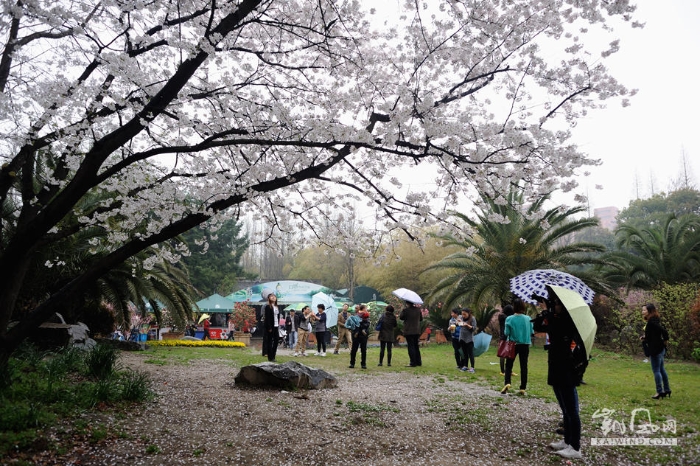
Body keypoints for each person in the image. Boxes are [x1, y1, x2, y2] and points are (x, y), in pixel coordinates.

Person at [533, 292, 583, 460]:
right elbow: (540, 327)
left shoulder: (569, 321)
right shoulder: (555, 317)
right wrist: (543, 312)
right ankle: (567, 441)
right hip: (556, 366)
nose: (555, 306)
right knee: (564, 408)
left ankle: (575, 447)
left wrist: (547, 311)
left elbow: (556, 328)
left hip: (566, 368)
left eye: (557, 304)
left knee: (571, 409)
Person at [501, 299, 533, 395]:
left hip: (513, 345)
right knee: (524, 366)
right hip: (525, 344)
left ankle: (507, 383)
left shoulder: (509, 319)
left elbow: (507, 333)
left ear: (514, 307)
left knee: (509, 365)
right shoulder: (528, 318)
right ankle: (522, 388)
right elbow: (532, 331)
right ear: (523, 307)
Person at [641, 303, 671, 399]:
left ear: (649, 311)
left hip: (656, 349)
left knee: (656, 370)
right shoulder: (655, 320)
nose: (642, 312)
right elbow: (654, 334)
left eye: (644, 310)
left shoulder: (651, 323)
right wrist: (645, 337)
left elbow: (664, 332)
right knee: (662, 369)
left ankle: (659, 391)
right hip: (660, 348)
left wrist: (665, 341)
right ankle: (667, 389)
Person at [400, 301, 422, 367]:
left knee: (411, 346)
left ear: (407, 303)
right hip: (416, 330)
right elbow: (421, 319)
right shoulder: (418, 310)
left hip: (409, 331)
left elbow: (401, 317)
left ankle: (413, 362)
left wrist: (402, 310)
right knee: (416, 346)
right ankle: (419, 361)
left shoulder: (406, 310)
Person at [263, 293, 281, 362]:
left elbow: (277, 316)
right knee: (270, 341)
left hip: (276, 325)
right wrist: (269, 327)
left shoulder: (277, 306)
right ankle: (270, 357)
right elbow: (267, 318)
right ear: (269, 298)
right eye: (271, 296)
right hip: (271, 326)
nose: (273, 297)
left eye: (274, 296)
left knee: (276, 340)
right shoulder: (268, 306)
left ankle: (273, 355)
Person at [458, 308, 477, 372]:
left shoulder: (472, 319)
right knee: (464, 353)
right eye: (462, 314)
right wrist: (458, 322)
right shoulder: (461, 318)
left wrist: (467, 325)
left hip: (469, 339)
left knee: (470, 353)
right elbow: (458, 324)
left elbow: (474, 328)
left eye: (465, 314)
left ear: (468, 313)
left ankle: (472, 367)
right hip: (462, 338)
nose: (463, 315)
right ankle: (465, 366)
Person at [498, 304, 514, 375]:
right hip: (504, 336)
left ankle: (508, 370)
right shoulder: (504, 317)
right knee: (503, 354)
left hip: (504, 336)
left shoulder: (503, 316)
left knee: (508, 354)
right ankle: (503, 371)